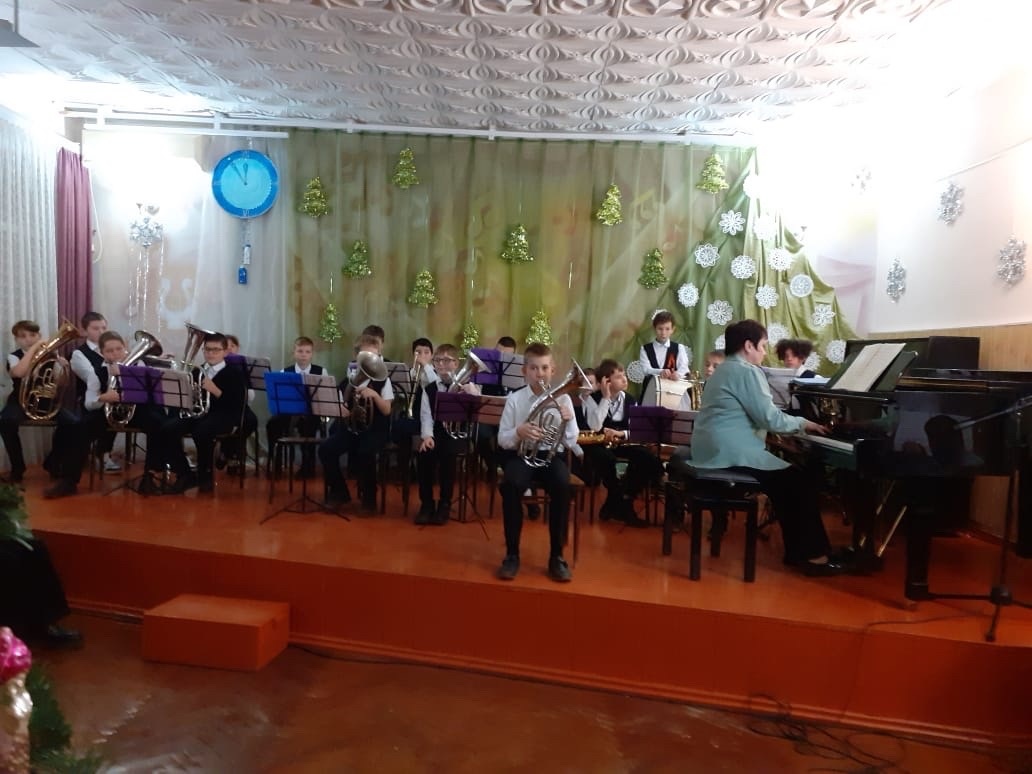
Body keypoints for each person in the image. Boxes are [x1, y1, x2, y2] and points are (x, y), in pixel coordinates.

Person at [687, 320, 851, 576]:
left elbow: (745, 417)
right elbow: (769, 418)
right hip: (732, 454)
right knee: (799, 482)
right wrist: (804, 424)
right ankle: (814, 557)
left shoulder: (722, 370)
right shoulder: (747, 371)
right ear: (748, 346)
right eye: (763, 346)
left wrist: (781, 434)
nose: (764, 352)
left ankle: (798, 552)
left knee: (788, 482)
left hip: (709, 450)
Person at [496, 343, 581, 583]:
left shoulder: (563, 399)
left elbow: (572, 441)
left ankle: (557, 557)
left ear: (553, 370)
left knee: (562, 485)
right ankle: (512, 554)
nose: (540, 373)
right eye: (534, 368)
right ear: (525, 371)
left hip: (551, 457)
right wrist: (519, 432)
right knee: (510, 485)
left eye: (544, 368)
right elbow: (502, 439)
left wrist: (568, 420)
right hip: (521, 455)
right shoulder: (514, 399)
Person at [154, 332, 248, 494]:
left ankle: (206, 477)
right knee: (167, 429)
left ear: (225, 352)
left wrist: (215, 390)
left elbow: (237, 404)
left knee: (202, 431)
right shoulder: (198, 371)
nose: (211, 353)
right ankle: (185, 474)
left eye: (216, 350)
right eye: (207, 350)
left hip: (224, 416)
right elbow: (190, 399)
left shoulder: (235, 373)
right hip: (200, 414)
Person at [319, 334, 393, 511]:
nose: (370, 361)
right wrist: (341, 410)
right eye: (365, 356)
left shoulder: (384, 381)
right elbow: (340, 405)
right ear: (356, 356)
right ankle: (339, 491)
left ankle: (369, 498)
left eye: (374, 356)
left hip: (376, 430)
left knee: (365, 451)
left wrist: (374, 395)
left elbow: (386, 410)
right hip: (352, 429)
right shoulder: (348, 381)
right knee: (326, 449)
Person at [582, 359, 659, 528]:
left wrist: (621, 433)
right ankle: (619, 500)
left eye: (624, 375)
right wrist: (605, 398)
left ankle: (623, 499)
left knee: (648, 459)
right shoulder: (593, 399)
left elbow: (637, 430)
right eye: (618, 377)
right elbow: (595, 426)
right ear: (606, 382)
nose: (624, 379)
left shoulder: (630, 400)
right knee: (605, 459)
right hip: (599, 444)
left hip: (622, 443)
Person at [415, 344, 480, 526]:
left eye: (446, 360)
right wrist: (427, 437)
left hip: (457, 435)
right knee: (424, 455)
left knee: (448, 456)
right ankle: (427, 504)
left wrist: (471, 394)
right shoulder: (429, 388)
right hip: (436, 433)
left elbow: (478, 409)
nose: (441, 364)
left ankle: (445, 503)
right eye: (437, 360)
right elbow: (426, 415)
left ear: (456, 364)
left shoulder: (467, 385)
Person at [266, 336, 329, 479]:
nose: (303, 355)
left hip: (311, 413)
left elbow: (324, 397)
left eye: (307, 352)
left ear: (312, 354)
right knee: (272, 424)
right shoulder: (285, 372)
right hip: (289, 412)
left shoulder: (321, 372)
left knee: (308, 425)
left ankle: (308, 466)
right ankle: (276, 463)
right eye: (300, 351)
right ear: (294, 353)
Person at [70, 312, 120, 472]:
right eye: (96, 328)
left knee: (118, 411)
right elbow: (91, 376)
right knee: (103, 414)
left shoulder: (114, 350)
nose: (101, 332)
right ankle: (101, 454)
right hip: (91, 398)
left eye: (104, 328)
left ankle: (103, 452)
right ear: (85, 331)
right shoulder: (79, 354)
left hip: (114, 398)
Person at [0, 321, 43, 484]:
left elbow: (61, 383)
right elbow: (18, 372)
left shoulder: (50, 354)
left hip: (45, 402)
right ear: (16, 340)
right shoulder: (13, 356)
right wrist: (34, 349)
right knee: (5, 421)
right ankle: (17, 468)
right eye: (23, 336)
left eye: (32, 335)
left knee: (72, 423)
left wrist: (61, 367)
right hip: (19, 400)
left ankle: (53, 463)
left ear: (39, 336)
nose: (28, 339)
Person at [639, 309, 689, 401]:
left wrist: (678, 374)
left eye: (667, 329)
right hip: (651, 390)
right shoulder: (645, 349)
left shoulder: (679, 348)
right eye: (660, 329)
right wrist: (661, 371)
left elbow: (684, 367)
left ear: (673, 330)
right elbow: (646, 370)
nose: (663, 333)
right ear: (654, 328)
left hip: (673, 391)